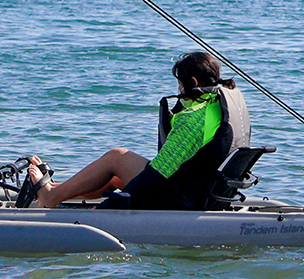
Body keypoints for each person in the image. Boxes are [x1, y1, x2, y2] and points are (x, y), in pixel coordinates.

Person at [20, 52, 242, 210]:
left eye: (180, 84)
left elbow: (158, 173)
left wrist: (113, 204)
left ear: (192, 82)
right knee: (118, 175)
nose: (179, 89)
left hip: (183, 200)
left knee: (116, 158)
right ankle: (56, 190)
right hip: (204, 191)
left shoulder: (194, 118)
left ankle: (50, 197)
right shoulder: (218, 104)